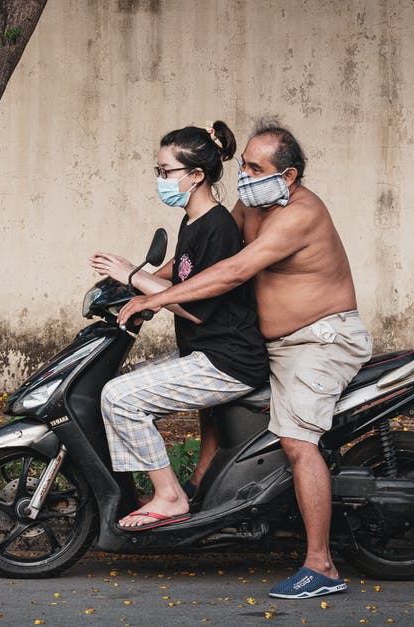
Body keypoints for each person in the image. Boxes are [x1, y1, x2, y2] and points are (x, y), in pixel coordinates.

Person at [118, 122, 373, 599]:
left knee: (298, 441)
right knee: (215, 402)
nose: (246, 175)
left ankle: (321, 566)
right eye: (243, 165)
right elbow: (203, 259)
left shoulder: (299, 214)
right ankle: (198, 492)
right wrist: (141, 278)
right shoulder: (253, 203)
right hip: (270, 343)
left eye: (257, 168)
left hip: (318, 341)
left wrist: (155, 298)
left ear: (289, 175)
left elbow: (234, 271)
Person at [89, 121, 268, 532]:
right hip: (206, 353)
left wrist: (134, 277)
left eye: (166, 172)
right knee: (124, 381)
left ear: (196, 175)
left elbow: (195, 306)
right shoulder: (193, 220)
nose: (160, 180)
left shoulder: (219, 226)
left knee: (119, 397)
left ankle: (170, 497)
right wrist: (131, 279)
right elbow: (182, 271)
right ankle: (178, 488)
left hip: (227, 360)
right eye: (158, 171)